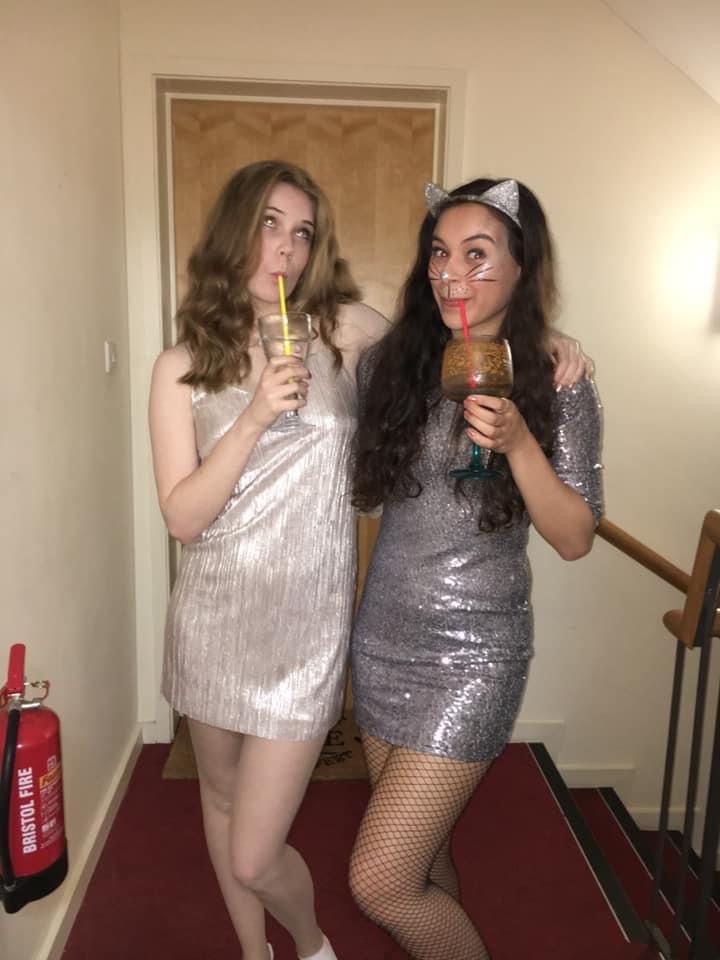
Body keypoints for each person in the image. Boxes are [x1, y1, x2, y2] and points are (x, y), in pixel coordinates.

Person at [149, 160, 593, 960]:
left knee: (358, 872)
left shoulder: (345, 332)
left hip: (381, 641)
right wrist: (254, 416)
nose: (285, 249)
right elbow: (183, 516)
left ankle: (320, 945)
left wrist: (544, 347)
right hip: (280, 624)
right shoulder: (195, 365)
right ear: (233, 231)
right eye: (269, 225)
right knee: (270, 815)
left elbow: (568, 527)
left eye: (302, 232)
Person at [348, 177, 604, 960]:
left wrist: (521, 442)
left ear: (523, 268)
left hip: (474, 655)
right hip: (383, 636)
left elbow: (575, 537)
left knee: (380, 881)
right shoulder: (392, 364)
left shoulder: (559, 384)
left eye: (477, 253)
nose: (451, 272)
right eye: (439, 252)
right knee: (423, 858)